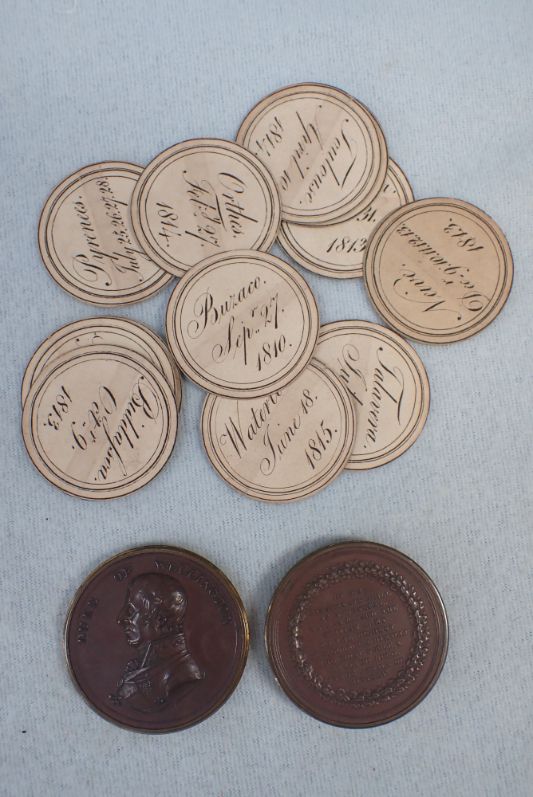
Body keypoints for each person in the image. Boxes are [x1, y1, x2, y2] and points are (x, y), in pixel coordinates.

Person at [110, 573, 204, 712]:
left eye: (130, 610)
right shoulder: (142, 666)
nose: (120, 619)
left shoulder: (184, 675)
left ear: (160, 620)